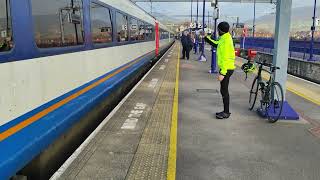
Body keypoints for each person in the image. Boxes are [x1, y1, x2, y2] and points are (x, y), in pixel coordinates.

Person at [204, 22, 236, 119]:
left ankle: (226, 112)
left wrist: (223, 72)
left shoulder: (226, 41)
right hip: (227, 68)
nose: (217, 31)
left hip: (227, 68)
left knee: (224, 90)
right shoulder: (225, 37)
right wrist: (206, 38)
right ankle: (225, 111)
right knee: (223, 90)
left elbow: (226, 58)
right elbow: (216, 43)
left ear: (220, 30)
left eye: (218, 30)